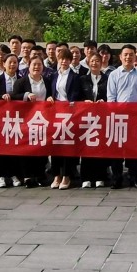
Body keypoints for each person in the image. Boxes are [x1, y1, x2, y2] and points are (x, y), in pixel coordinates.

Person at [106, 44, 137, 189]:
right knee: (116, 150)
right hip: (118, 117)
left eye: (131, 54)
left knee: (134, 149)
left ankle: (134, 177)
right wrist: (116, 113)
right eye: (126, 54)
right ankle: (117, 178)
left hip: (135, 117)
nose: (128, 57)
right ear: (120, 57)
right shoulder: (114, 74)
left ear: (135, 56)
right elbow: (111, 98)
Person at [12, 57, 55, 188]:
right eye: (34, 64)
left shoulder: (47, 81)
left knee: (41, 147)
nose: (37, 67)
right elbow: (14, 97)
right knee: (27, 148)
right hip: (26, 119)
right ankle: (27, 176)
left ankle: (40, 174)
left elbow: (52, 94)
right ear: (29, 67)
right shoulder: (21, 82)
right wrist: (26, 95)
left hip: (43, 119)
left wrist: (51, 98)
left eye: (39, 64)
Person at [0, 53, 23, 188]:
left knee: (15, 148)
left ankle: (13, 174)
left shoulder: (22, 79)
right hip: (1, 119)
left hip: (18, 119)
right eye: (10, 62)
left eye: (15, 62)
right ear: (3, 64)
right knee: (0, 148)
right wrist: (1, 97)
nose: (13, 65)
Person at [51, 48, 82, 190]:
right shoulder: (53, 75)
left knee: (67, 146)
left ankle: (66, 176)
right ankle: (56, 175)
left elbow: (76, 95)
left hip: (69, 115)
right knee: (55, 145)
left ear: (70, 61)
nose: (64, 61)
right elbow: (51, 92)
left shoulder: (75, 77)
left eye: (67, 59)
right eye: (62, 59)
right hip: (55, 114)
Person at [78, 52, 109, 189]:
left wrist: (104, 101)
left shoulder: (107, 78)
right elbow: (77, 96)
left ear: (101, 63)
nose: (94, 63)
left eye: (97, 61)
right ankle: (86, 177)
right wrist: (84, 102)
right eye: (92, 61)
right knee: (87, 147)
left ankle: (100, 176)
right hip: (86, 117)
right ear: (88, 63)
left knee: (100, 147)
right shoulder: (82, 79)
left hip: (102, 117)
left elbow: (111, 95)